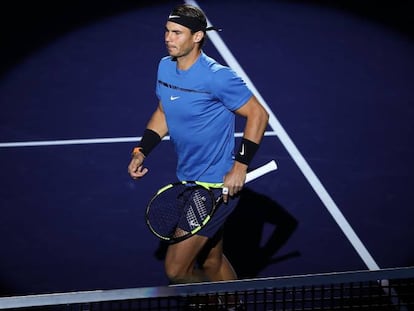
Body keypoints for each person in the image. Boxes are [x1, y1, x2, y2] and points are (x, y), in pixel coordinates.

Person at [128, 3, 269, 288]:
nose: (169, 38)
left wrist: (240, 166)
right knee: (211, 261)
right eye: (167, 31)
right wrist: (141, 150)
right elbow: (163, 112)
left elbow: (258, 114)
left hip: (213, 189)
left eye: (177, 33)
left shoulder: (217, 76)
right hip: (189, 179)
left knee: (176, 271)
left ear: (197, 37)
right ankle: (232, 306)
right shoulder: (165, 67)